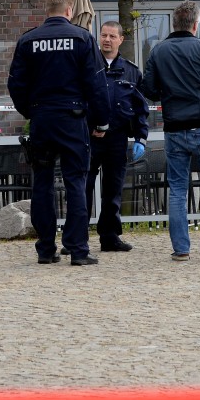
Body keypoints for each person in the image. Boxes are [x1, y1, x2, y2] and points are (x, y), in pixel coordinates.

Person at [8, 0, 111, 266]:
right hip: (73, 119)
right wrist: (101, 121)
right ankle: (77, 250)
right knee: (76, 182)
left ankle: (45, 249)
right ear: (70, 11)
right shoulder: (82, 38)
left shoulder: (28, 40)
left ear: (47, 10)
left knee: (42, 183)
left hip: (42, 119)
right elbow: (96, 84)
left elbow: (15, 84)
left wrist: (31, 111)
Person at [141, 0, 200, 262]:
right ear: (196, 24)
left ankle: (181, 249)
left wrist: (168, 92)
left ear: (174, 23)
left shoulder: (159, 51)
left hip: (175, 129)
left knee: (177, 190)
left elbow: (148, 90)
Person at [84, 20, 150, 252]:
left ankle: (109, 237)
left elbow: (140, 108)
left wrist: (141, 138)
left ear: (121, 40)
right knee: (84, 189)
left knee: (113, 190)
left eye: (112, 36)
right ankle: (78, 238)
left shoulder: (131, 71)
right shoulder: (88, 66)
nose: (107, 40)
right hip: (90, 137)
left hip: (117, 138)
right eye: (103, 35)